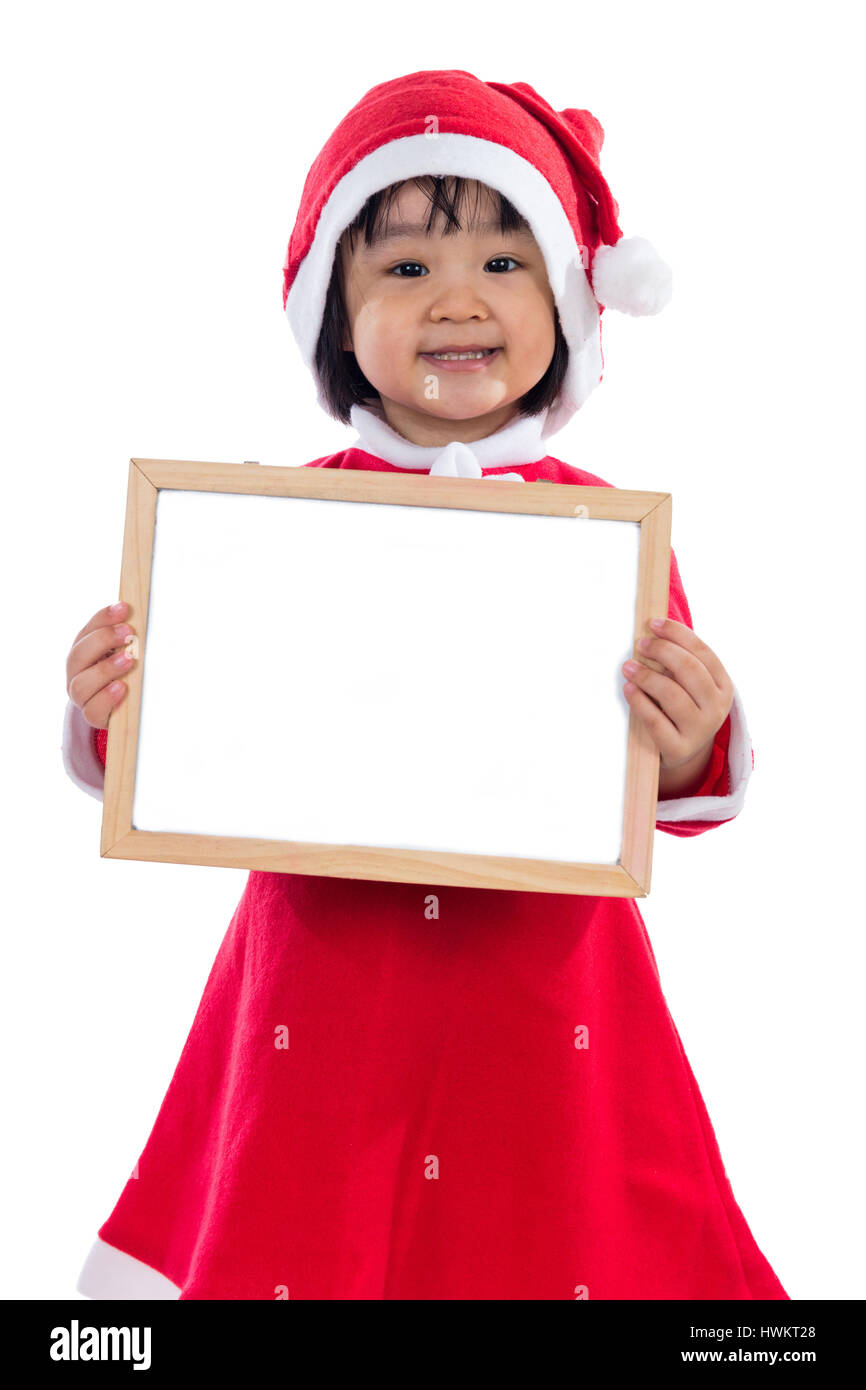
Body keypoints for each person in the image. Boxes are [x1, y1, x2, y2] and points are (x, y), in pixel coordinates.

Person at [63, 69, 789, 1300]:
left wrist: (691, 735)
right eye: (403, 269)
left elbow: (676, 784)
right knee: (311, 1206)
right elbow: (188, 738)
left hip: (545, 976)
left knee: (546, 1211)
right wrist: (113, 701)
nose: (458, 296)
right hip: (325, 968)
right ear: (333, 318)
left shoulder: (608, 541)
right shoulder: (262, 526)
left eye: (506, 263)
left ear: (567, 300)